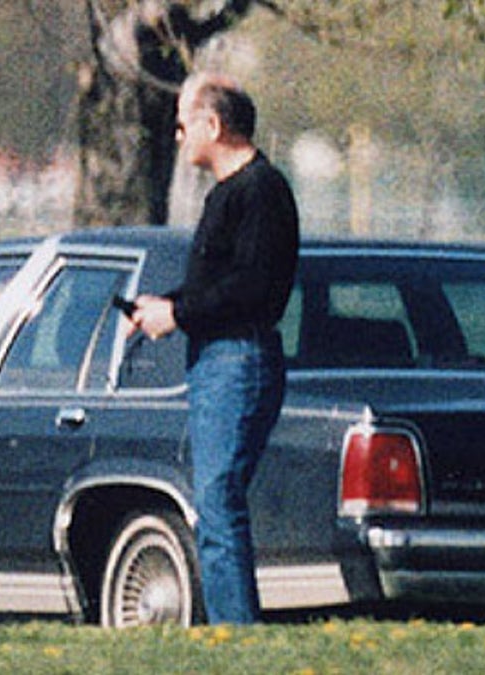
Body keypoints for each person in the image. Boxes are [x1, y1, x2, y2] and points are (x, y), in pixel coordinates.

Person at [130, 71, 300, 625]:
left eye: (182, 125)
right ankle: (229, 629)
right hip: (214, 361)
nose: (178, 137)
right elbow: (216, 286)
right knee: (215, 504)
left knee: (219, 501)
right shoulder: (225, 195)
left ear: (212, 123)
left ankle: (237, 636)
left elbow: (252, 287)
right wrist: (165, 308)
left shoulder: (261, 190)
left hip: (238, 360)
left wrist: (177, 313)